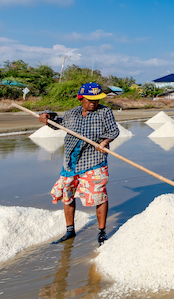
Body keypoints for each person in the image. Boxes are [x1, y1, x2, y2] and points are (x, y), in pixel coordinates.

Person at [39, 82, 119, 245]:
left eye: (96, 100)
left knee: (99, 196)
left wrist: (104, 143)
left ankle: (102, 233)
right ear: (81, 98)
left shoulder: (105, 112)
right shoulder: (71, 114)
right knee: (67, 196)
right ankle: (70, 230)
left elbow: (113, 131)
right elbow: (57, 123)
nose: (93, 103)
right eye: (90, 100)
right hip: (71, 162)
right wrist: (46, 115)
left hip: (94, 161)